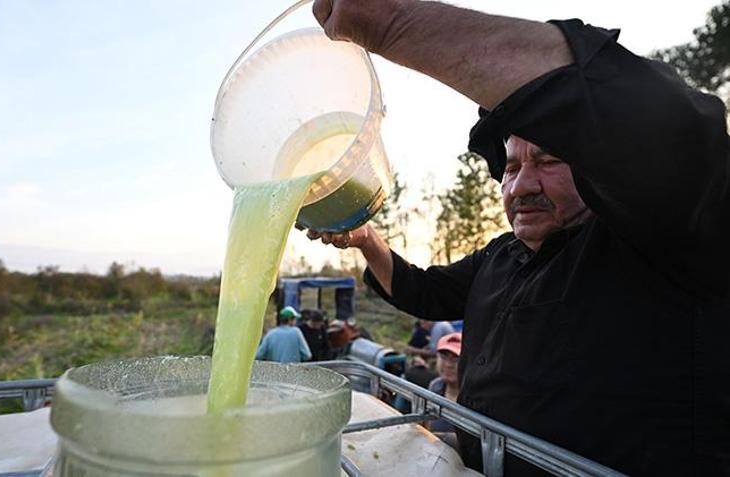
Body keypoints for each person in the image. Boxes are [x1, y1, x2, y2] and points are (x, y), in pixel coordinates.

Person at [305, 1, 730, 475]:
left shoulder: (660, 237)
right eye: (510, 167)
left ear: (596, 167)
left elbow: (673, 132)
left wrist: (393, 24)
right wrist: (366, 239)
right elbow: (421, 290)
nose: (522, 185)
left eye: (548, 161)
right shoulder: (499, 256)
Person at [427, 333, 462, 447]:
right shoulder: (435, 386)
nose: (448, 364)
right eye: (443, 357)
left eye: (456, 359)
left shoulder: (477, 398)